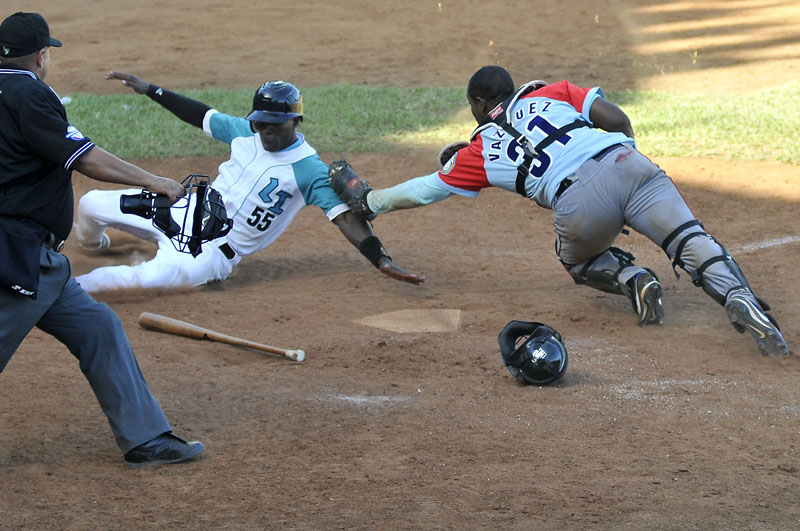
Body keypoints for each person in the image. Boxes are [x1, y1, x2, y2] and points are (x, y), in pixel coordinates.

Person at [330, 65, 790, 357]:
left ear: (476, 105)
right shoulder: (552, 92)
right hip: (627, 163)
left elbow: (423, 190)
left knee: (578, 259)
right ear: (512, 89)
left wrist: (370, 201)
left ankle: (634, 280)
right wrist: (626, 164)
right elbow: (616, 118)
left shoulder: (480, 150)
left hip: (577, 203)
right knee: (690, 238)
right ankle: (739, 299)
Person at [0, 11, 205, 467]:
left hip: (41, 265)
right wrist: (156, 181)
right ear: (41, 55)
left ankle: (146, 438)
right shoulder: (30, 94)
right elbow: (85, 158)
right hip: (17, 257)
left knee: (99, 327)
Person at [73, 72, 424, 291]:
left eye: (275, 123)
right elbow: (199, 114)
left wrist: (381, 259)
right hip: (181, 211)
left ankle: (66, 290)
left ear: (295, 121)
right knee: (90, 204)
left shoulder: (310, 170)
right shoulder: (245, 133)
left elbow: (348, 220)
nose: (266, 129)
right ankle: (95, 247)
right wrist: (151, 89)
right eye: (261, 122)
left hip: (209, 253)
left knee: (139, 280)